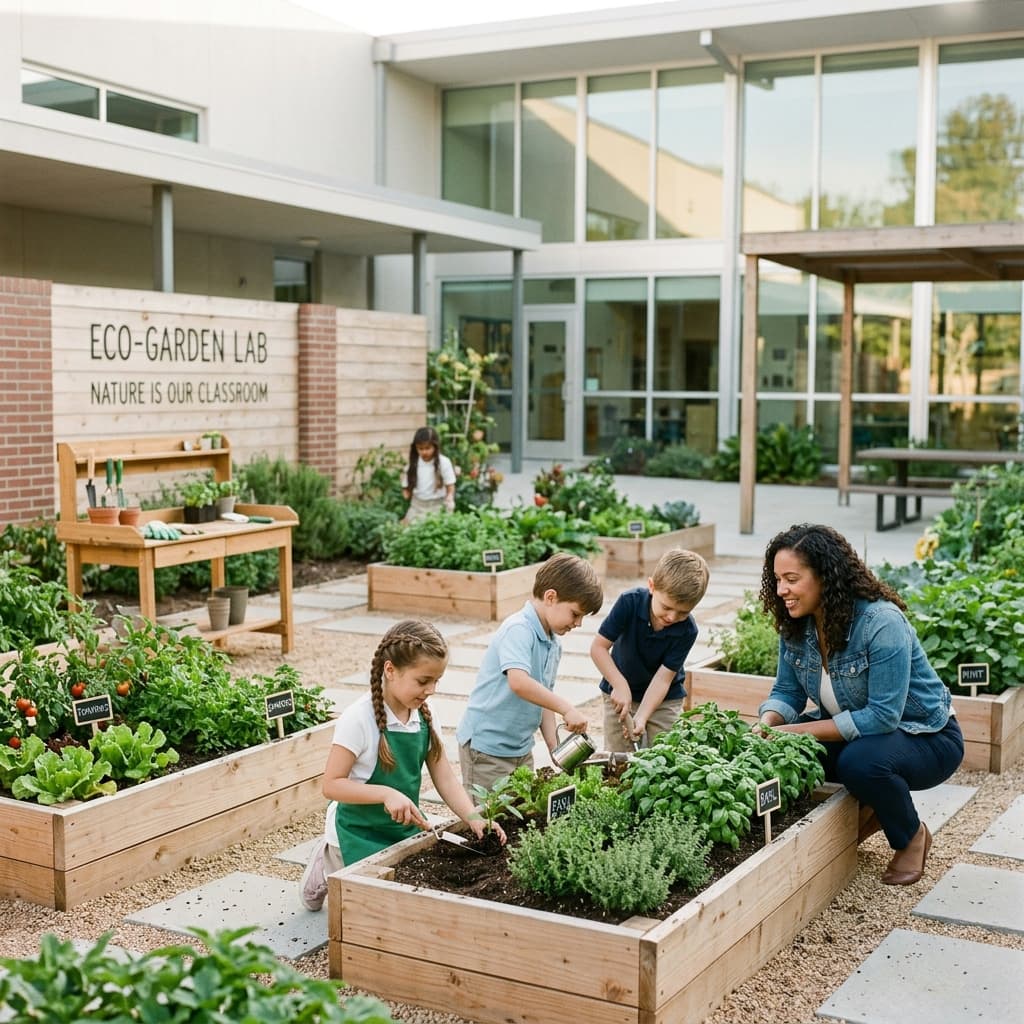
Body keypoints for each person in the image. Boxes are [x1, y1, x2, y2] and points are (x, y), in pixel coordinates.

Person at [755, 523, 963, 886]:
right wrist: (768, 724)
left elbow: (883, 717)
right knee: (795, 756)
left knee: (860, 763)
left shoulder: (881, 622)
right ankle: (872, 808)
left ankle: (910, 835)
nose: (781, 590)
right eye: (776, 579)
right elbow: (787, 693)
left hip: (926, 736)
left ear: (825, 576)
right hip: (863, 735)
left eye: (791, 578)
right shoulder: (796, 625)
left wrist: (794, 731)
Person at [300, 619, 505, 911]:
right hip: (357, 831)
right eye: (423, 681)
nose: (431, 689)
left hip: (400, 827)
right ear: (390, 670)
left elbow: (443, 774)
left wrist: (474, 819)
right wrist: (385, 793)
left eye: (437, 681)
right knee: (354, 910)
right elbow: (331, 785)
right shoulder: (359, 718)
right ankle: (324, 863)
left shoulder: (424, 711)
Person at [456, 552, 605, 794]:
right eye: (575, 613)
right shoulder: (519, 629)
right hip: (487, 748)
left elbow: (542, 696)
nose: (578, 623)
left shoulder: (553, 642)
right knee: (490, 821)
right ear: (551, 597)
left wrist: (554, 747)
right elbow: (519, 682)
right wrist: (566, 708)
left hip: (519, 749)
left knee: (519, 816)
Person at [591, 547, 709, 751]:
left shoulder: (688, 630)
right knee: (618, 759)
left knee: (664, 755)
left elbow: (664, 678)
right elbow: (598, 648)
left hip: (664, 701)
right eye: (666, 607)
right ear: (652, 586)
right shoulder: (629, 602)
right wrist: (619, 685)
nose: (672, 617)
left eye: (683, 612)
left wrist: (643, 716)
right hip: (619, 696)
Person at [402, 426, 456, 523]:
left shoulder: (443, 462)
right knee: (408, 529)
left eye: (427, 448)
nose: (424, 452)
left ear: (435, 446)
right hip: (417, 504)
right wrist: (406, 491)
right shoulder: (413, 463)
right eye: (420, 449)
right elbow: (406, 486)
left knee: (434, 529)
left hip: (437, 505)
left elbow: (450, 484)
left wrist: (450, 497)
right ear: (415, 448)